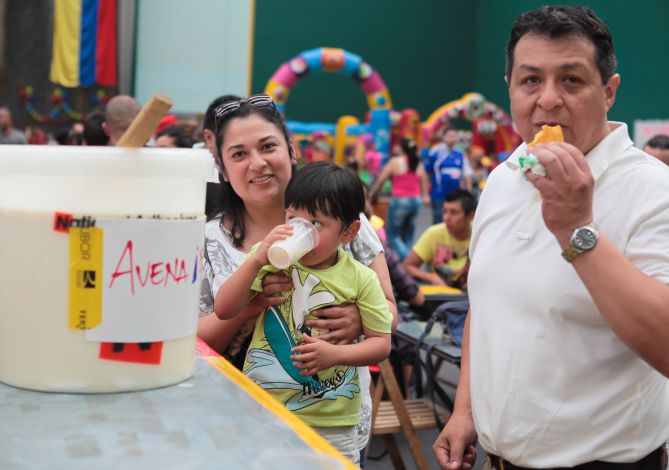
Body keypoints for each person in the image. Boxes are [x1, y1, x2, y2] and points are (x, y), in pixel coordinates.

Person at [433, 6, 669, 470]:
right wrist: (466, 409)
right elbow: (487, 307)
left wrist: (576, 229)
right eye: (530, 81)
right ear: (510, 91)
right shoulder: (503, 177)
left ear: (609, 92)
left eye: (572, 81)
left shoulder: (654, 190)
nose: (548, 99)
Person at [197, 94, 398, 464]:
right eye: (239, 154)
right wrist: (252, 307)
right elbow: (197, 336)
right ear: (223, 169)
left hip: (333, 413)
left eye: (268, 146)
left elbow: (387, 310)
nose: (257, 163)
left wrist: (356, 317)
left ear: (290, 151)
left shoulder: (346, 220)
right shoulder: (211, 238)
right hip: (245, 413)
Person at [369, 138, 430, 260]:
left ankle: (408, 260)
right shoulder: (417, 162)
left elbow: (381, 179)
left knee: (393, 236)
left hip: (400, 200)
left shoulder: (395, 161)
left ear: (402, 149)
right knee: (408, 235)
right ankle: (407, 262)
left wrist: (371, 194)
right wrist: (424, 195)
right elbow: (424, 179)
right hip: (416, 200)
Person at [403, 189, 476, 290]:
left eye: (454, 213)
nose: (446, 218)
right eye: (445, 211)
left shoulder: (481, 236)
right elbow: (407, 266)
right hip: (441, 298)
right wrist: (431, 277)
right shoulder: (434, 233)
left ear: (470, 216)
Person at [423, 128, 473, 223]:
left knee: (455, 223)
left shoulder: (460, 154)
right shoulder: (435, 152)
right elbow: (425, 173)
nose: (452, 139)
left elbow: (467, 174)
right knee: (438, 223)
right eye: (450, 136)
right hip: (438, 195)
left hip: (455, 197)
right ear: (444, 137)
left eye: (454, 136)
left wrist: (468, 194)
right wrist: (425, 194)